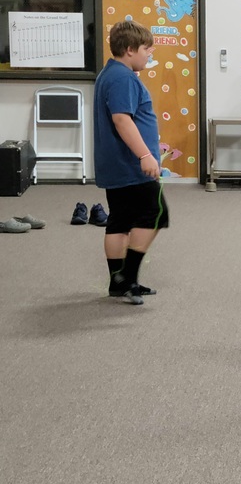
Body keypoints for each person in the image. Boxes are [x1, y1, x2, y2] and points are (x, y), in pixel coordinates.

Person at [93, 20, 167, 305]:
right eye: (147, 50)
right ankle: (129, 279)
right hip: (130, 167)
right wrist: (145, 155)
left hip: (118, 165)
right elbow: (122, 119)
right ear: (129, 49)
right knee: (156, 214)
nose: (150, 55)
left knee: (120, 221)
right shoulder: (123, 78)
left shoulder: (110, 74)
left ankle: (118, 282)